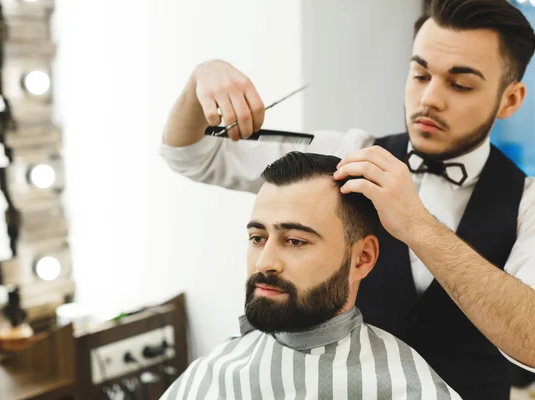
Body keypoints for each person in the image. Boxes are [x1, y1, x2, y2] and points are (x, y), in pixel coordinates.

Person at [159, 0, 535, 398]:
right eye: (420, 74)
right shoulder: (348, 154)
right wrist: (199, 80)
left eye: (460, 84)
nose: (430, 99)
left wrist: (418, 225)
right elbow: (191, 154)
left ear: (509, 100)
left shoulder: (527, 203)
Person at [160, 152, 462, 400]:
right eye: (257, 238)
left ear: (362, 259)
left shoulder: (405, 388)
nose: (265, 263)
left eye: (295, 241)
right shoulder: (215, 371)